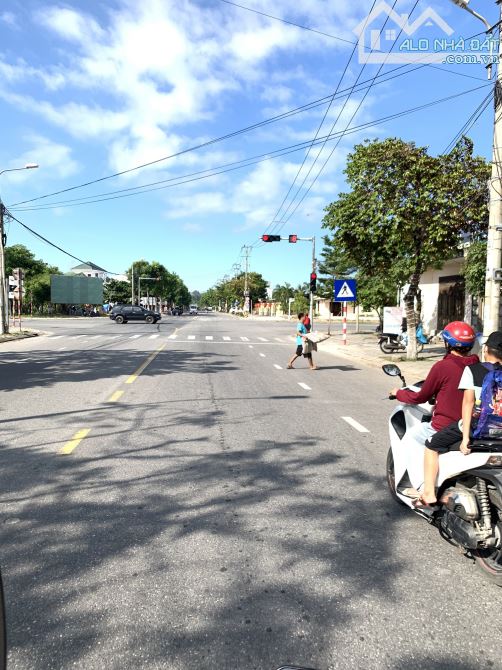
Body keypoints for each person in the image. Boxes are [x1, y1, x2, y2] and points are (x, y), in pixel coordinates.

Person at [389, 321, 479, 498]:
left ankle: (422, 488)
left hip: (446, 425)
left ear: (447, 343)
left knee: (412, 437)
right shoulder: (477, 364)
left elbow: (420, 397)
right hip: (474, 424)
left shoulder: (442, 367)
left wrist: (398, 393)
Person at [420, 331, 502, 506]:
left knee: (431, 445)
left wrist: (465, 439)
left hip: (477, 428)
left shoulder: (473, 370)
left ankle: (428, 493)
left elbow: (468, 405)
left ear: (486, 349)